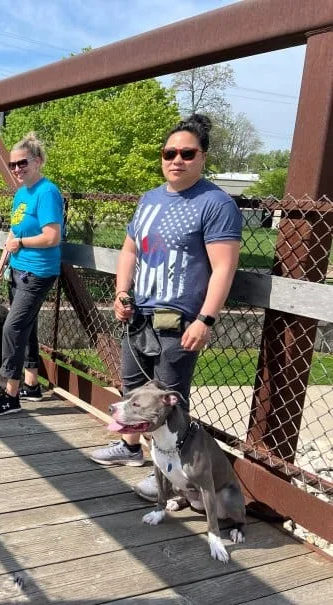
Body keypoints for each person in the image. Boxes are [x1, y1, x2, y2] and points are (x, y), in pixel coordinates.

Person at [89, 114, 242, 502]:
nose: (177, 160)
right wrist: (122, 292)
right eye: (169, 152)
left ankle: (172, 479)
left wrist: (206, 318)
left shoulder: (216, 203)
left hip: (179, 321)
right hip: (138, 315)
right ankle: (129, 450)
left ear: (202, 157)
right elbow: (129, 249)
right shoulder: (150, 199)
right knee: (130, 391)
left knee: (170, 401)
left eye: (187, 153)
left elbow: (224, 266)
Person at [0, 133, 64, 416]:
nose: (16, 169)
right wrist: (0, 266)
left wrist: (22, 244)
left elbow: (52, 237)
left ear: (37, 161)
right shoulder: (20, 193)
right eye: (12, 164)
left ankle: (10, 394)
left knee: (12, 328)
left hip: (38, 271)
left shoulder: (47, 192)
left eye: (22, 163)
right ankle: (31, 384)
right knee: (24, 326)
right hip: (18, 269)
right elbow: (13, 233)